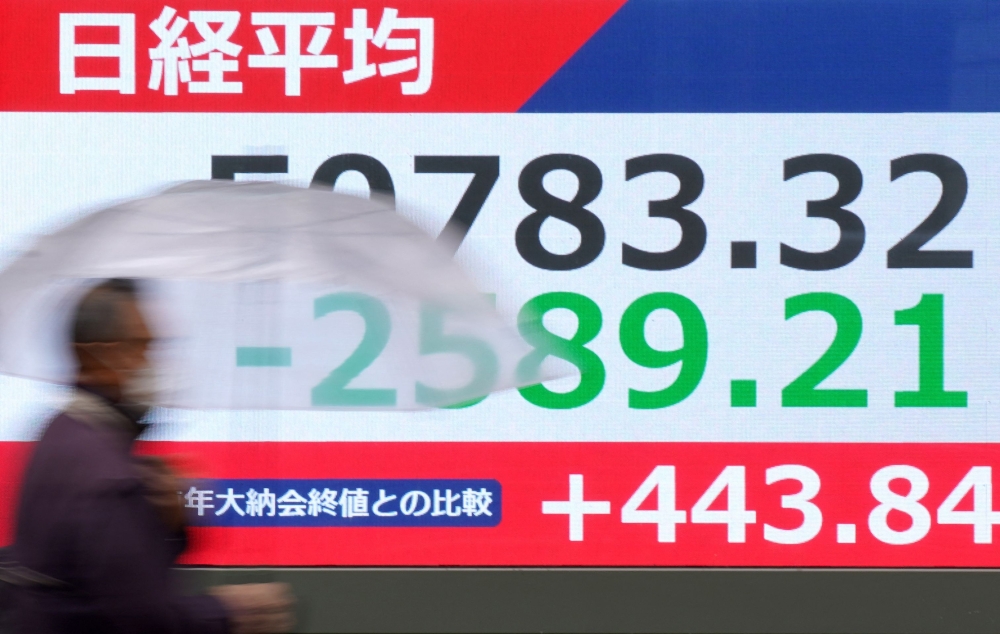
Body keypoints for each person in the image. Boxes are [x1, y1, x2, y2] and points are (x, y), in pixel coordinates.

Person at [9, 279, 293, 633]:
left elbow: (107, 577)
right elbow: (149, 620)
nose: (152, 363)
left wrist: (169, 526)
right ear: (98, 354)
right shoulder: (110, 478)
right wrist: (233, 612)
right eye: (143, 347)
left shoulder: (59, 434)